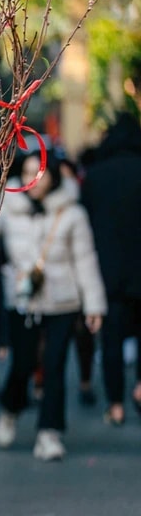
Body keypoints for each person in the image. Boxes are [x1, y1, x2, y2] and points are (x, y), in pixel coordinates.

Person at [0, 150, 107, 460]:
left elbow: (85, 260)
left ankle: (49, 433)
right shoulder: (8, 206)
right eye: (28, 172)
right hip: (22, 300)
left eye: (40, 173)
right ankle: (10, 409)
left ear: (54, 177)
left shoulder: (72, 213)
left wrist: (93, 305)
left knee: (54, 366)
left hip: (63, 300)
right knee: (23, 363)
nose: (34, 180)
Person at [80, 113, 141, 424]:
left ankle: (115, 404)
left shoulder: (96, 176)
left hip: (109, 270)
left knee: (112, 339)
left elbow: (86, 225)